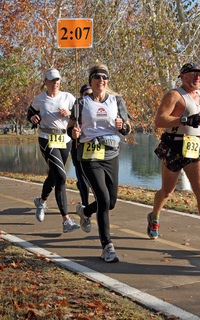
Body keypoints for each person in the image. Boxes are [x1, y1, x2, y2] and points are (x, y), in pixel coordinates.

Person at [67, 64, 131, 262]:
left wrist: (123, 126)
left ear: (107, 81)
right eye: (97, 77)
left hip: (111, 154)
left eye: (104, 77)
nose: (101, 80)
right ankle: (107, 246)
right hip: (89, 156)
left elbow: (128, 128)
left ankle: (85, 211)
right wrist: (74, 133)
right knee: (103, 199)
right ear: (91, 80)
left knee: (111, 202)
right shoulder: (80, 103)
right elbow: (70, 128)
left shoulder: (116, 101)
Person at [147, 62, 200, 249]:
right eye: (193, 74)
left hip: (194, 146)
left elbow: (197, 119)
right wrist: (184, 119)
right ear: (183, 77)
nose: (197, 78)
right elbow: (159, 120)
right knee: (167, 191)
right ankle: (154, 217)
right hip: (174, 145)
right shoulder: (174, 95)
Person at [27, 68, 80, 233]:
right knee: (61, 177)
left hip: (65, 139)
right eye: (51, 80)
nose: (55, 83)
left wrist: (70, 113)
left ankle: (41, 201)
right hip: (46, 139)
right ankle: (66, 221)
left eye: (57, 80)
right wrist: (32, 118)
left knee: (54, 175)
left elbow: (79, 113)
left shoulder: (68, 97)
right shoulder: (39, 99)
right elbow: (30, 112)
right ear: (45, 82)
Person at [70, 85, 93, 207]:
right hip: (78, 149)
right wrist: (74, 133)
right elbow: (69, 126)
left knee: (92, 178)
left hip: (95, 150)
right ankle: (85, 205)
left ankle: (82, 185)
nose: (88, 97)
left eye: (91, 94)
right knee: (83, 178)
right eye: (86, 94)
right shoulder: (77, 107)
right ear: (81, 95)